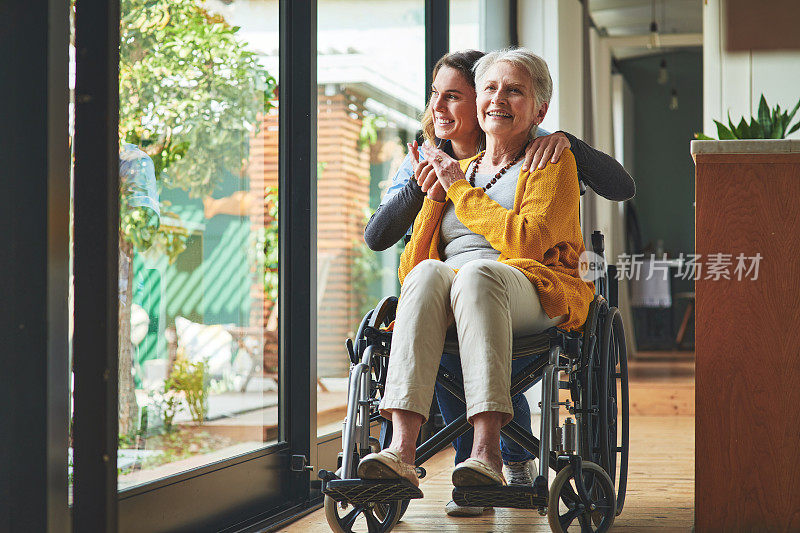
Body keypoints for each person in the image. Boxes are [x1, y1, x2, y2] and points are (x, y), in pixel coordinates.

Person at [363, 49, 633, 516]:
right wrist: (434, 187)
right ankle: (401, 451)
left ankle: (487, 453)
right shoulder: (450, 167)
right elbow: (411, 262)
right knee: (428, 273)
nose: (498, 99)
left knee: (477, 275)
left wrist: (458, 190)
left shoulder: (549, 160)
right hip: (465, 291)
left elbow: (526, 243)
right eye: (490, 88)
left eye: (514, 91)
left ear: (539, 110)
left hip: (533, 284)